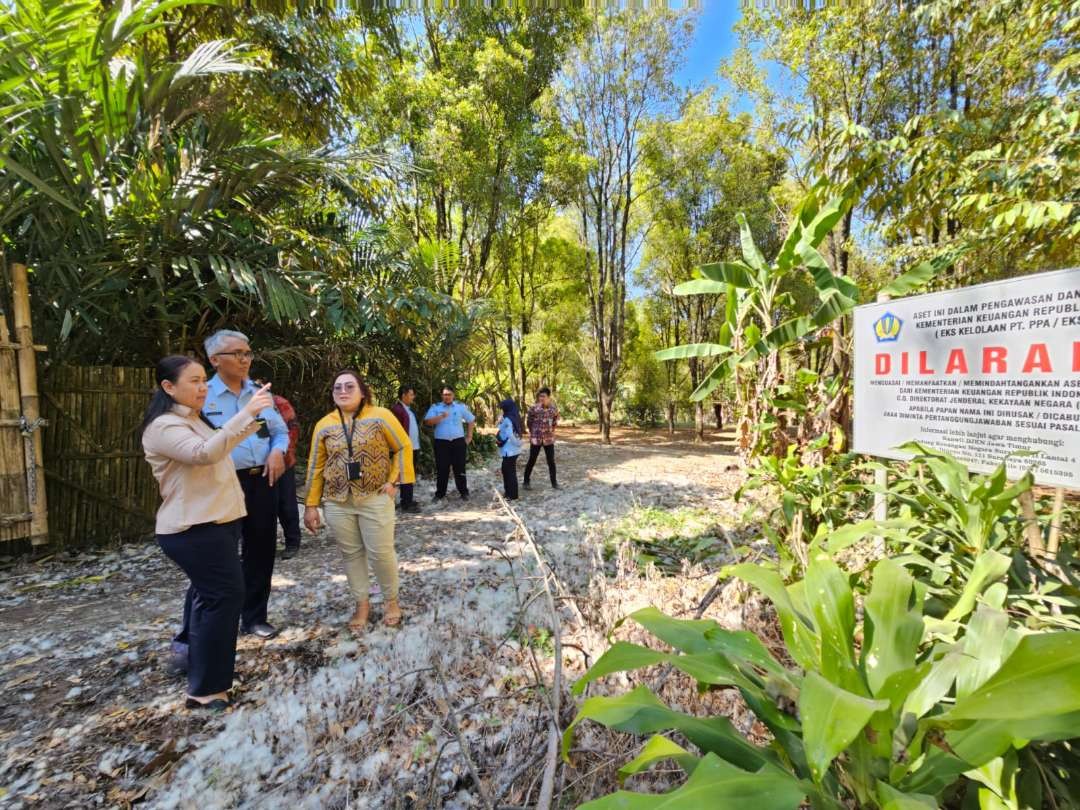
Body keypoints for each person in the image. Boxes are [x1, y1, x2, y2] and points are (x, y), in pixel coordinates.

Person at [141, 355, 273, 711]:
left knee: (209, 601)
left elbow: (219, 446)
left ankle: (205, 677)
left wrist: (250, 416)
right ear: (169, 387)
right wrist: (245, 415)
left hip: (217, 522)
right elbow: (203, 455)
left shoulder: (193, 420)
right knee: (224, 598)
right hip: (193, 529)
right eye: (195, 381)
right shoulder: (164, 427)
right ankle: (207, 690)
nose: (203, 388)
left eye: (204, 380)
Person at [303, 371, 414, 631]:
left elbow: (402, 446)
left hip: (375, 497)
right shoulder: (324, 424)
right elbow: (315, 467)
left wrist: (394, 480)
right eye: (337, 387)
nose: (343, 391)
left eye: (349, 386)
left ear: (362, 391)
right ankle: (361, 604)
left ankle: (391, 601)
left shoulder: (381, 415)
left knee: (381, 553)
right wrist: (311, 504)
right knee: (351, 554)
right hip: (337, 502)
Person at [202, 330, 290, 640]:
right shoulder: (202, 395)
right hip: (223, 483)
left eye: (248, 353)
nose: (244, 359)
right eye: (236, 353)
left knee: (261, 550)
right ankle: (216, 621)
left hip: (262, 480)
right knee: (220, 555)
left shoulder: (258, 392)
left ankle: (254, 617)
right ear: (215, 360)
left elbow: (280, 431)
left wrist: (278, 451)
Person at [255, 380, 303, 559]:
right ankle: (262, 546)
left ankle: (293, 542)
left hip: (283, 462)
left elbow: (292, 430)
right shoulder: (244, 408)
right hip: (255, 466)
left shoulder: (279, 403)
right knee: (259, 507)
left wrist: (280, 453)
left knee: (286, 503)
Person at [423, 385, 475, 501]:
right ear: (442, 396)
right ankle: (440, 494)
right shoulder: (436, 407)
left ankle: (464, 492)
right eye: (445, 394)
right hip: (441, 443)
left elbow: (471, 420)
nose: (447, 397)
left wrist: (469, 436)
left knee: (460, 468)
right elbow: (428, 422)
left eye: (449, 394)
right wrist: (441, 416)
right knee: (442, 468)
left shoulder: (460, 407)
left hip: (458, 442)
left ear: (453, 395)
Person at [390, 385, 422, 513]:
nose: (413, 397)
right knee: (405, 474)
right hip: (404, 448)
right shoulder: (397, 409)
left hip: (413, 447)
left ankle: (407, 499)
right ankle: (406, 504)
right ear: (403, 395)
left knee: (409, 474)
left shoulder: (408, 409)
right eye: (411, 394)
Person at [524, 386, 560, 490]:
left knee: (551, 461)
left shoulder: (553, 409)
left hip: (548, 439)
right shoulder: (534, 409)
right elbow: (529, 422)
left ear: (549, 397)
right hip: (536, 439)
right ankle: (526, 482)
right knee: (532, 460)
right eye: (540, 396)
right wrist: (534, 432)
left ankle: (554, 483)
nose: (541, 398)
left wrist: (551, 431)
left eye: (543, 396)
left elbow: (555, 421)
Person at [496, 398, 523, 500]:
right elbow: (504, 428)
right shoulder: (513, 416)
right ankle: (509, 493)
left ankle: (512, 495)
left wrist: (518, 443)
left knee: (509, 472)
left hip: (510, 450)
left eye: (503, 408)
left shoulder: (508, 419)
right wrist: (500, 421)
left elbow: (510, 435)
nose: (502, 410)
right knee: (507, 470)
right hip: (512, 450)